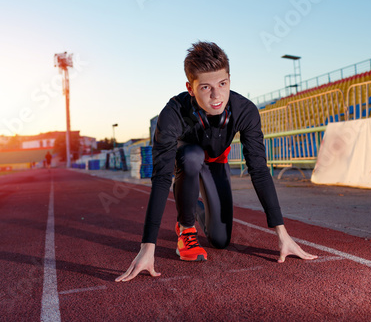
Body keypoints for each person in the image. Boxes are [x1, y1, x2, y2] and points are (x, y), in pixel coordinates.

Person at [116, 42, 317, 282]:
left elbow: (259, 170)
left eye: (222, 84)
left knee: (220, 241)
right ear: (190, 88)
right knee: (192, 156)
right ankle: (186, 225)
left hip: (215, 163)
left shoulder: (244, 110)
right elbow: (160, 178)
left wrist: (282, 233)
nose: (216, 96)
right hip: (187, 159)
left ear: (230, 79)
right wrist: (148, 247)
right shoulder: (172, 114)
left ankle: (193, 206)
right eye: (205, 87)